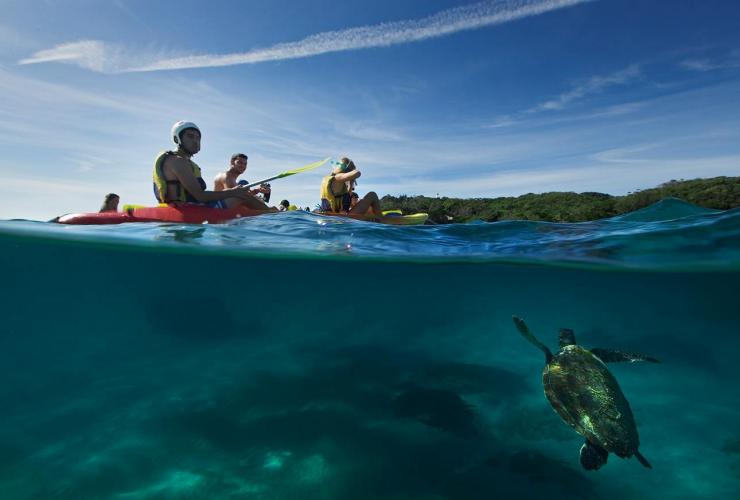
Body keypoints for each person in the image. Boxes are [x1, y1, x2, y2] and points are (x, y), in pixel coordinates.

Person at [153, 121, 271, 210]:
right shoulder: (177, 161)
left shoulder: (186, 162)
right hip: (186, 209)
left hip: (193, 206)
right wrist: (235, 192)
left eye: (198, 137)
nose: (195, 141)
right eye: (190, 136)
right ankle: (271, 215)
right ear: (176, 139)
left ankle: (267, 212)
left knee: (241, 193)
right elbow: (200, 196)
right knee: (241, 196)